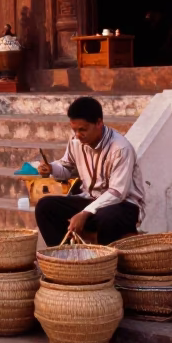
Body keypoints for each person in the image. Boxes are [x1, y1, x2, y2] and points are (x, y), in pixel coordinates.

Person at [34, 96, 145, 246]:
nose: (78, 135)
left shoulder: (120, 148)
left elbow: (117, 193)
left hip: (124, 205)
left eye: (82, 130)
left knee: (107, 217)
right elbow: (67, 167)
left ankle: (104, 263)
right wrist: (52, 168)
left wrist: (85, 213)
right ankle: (64, 257)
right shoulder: (75, 141)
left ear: (99, 123)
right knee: (45, 206)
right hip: (91, 199)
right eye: (74, 130)